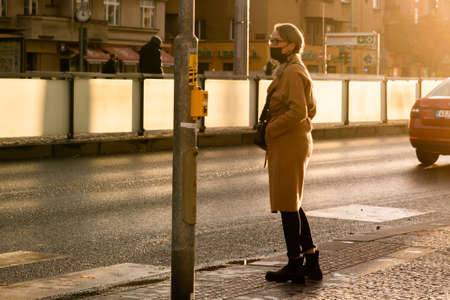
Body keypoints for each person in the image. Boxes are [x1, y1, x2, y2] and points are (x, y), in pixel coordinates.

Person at [263, 23, 322, 284]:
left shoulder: (292, 73)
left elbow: (299, 111)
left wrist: (271, 129)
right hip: (291, 142)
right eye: (271, 40)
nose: (271, 45)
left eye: (276, 41)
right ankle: (311, 261)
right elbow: (312, 108)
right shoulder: (293, 70)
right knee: (293, 203)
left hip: (289, 143)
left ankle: (295, 265)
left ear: (290, 45)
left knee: (288, 205)